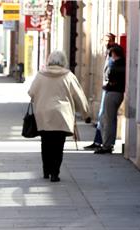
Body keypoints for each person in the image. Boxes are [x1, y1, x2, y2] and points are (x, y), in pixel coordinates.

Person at [28, 50, 89, 182]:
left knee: (46, 143)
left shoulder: (40, 75)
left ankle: (46, 170)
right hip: (62, 115)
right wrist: (86, 113)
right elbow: (79, 96)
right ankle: (55, 173)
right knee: (58, 145)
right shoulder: (68, 76)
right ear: (63, 61)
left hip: (44, 115)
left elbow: (31, 92)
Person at [85, 34, 119, 150]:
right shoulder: (108, 53)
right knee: (102, 115)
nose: (106, 42)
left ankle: (104, 143)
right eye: (104, 40)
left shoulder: (114, 53)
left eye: (108, 40)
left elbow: (113, 71)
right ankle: (99, 141)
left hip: (110, 89)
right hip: (107, 88)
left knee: (104, 116)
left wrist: (109, 83)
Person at [95, 45, 125, 154]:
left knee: (107, 119)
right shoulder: (124, 63)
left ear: (114, 54)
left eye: (111, 54)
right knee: (112, 119)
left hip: (112, 93)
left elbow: (111, 79)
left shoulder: (116, 64)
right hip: (119, 94)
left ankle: (106, 145)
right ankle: (110, 143)